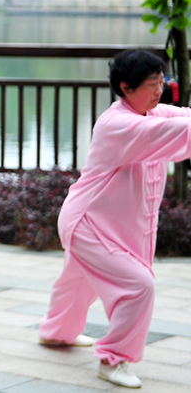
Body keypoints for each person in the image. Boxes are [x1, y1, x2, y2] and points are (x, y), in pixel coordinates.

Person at [38, 49, 191, 389]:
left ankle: (55, 332)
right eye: (152, 84)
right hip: (87, 224)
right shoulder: (119, 123)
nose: (159, 90)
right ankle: (113, 358)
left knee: (77, 283)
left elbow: (183, 117)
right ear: (126, 87)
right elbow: (181, 132)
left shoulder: (152, 113)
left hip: (110, 225)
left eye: (162, 82)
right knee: (138, 286)